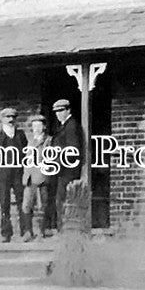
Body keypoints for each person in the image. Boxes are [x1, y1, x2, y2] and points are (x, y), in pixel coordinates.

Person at [0, 107, 28, 243]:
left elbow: (26, 154)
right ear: (2, 119)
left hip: (18, 174)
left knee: (22, 201)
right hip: (3, 175)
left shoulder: (20, 136)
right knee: (4, 203)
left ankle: (25, 231)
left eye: (12, 117)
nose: (10, 120)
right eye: (7, 117)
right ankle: (6, 233)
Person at [51, 99, 84, 232]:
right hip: (62, 170)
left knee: (63, 199)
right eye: (56, 112)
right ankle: (62, 228)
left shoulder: (71, 126)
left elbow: (72, 150)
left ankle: (64, 229)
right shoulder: (64, 126)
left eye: (61, 111)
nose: (58, 114)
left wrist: (58, 163)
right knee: (60, 199)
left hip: (67, 170)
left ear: (68, 110)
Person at [21, 115, 53, 241]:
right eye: (34, 126)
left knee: (41, 206)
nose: (36, 129)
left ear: (44, 127)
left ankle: (41, 232)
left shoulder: (48, 141)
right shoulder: (30, 141)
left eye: (39, 126)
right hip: (29, 178)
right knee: (26, 206)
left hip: (41, 178)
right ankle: (29, 232)